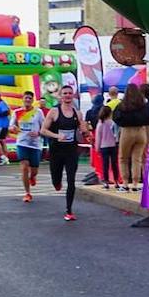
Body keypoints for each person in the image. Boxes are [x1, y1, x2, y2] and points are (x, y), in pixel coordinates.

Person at [41, 85, 89, 221]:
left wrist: (85, 131)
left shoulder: (77, 113)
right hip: (56, 150)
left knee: (71, 180)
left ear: (72, 95)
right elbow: (43, 130)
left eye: (70, 93)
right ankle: (57, 183)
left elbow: (82, 128)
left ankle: (69, 210)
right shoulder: (54, 112)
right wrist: (57, 136)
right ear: (61, 96)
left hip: (71, 151)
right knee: (56, 179)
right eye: (65, 93)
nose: (68, 95)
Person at [113, 83, 149, 192]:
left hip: (127, 131)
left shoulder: (122, 105)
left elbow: (115, 117)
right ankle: (136, 183)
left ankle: (125, 183)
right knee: (137, 158)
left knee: (123, 158)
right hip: (141, 131)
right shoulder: (142, 105)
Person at [10, 91, 45, 202]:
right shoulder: (16, 112)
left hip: (35, 145)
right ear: (23, 99)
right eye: (26, 98)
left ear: (32, 100)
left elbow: (44, 127)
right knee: (24, 167)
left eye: (30, 98)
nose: (28, 100)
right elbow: (11, 127)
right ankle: (27, 193)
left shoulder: (38, 112)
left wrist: (38, 133)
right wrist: (13, 129)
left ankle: (32, 177)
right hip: (22, 143)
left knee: (34, 170)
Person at [95, 105, 119, 188]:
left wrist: (97, 147)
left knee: (105, 165)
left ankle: (106, 182)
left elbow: (98, 137)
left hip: (103, 146)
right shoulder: (113, 123)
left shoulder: (100, 123)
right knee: (114, 164)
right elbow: (116, 135)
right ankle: (116, 181)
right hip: (113, 146)